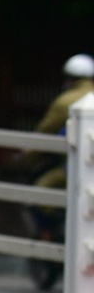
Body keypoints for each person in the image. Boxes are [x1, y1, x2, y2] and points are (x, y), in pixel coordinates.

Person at [30, 54, 94, 191]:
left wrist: (27, 157)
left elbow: (45, 131)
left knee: (41, 189)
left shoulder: (65, 101)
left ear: (70, 79)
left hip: (75, 166)